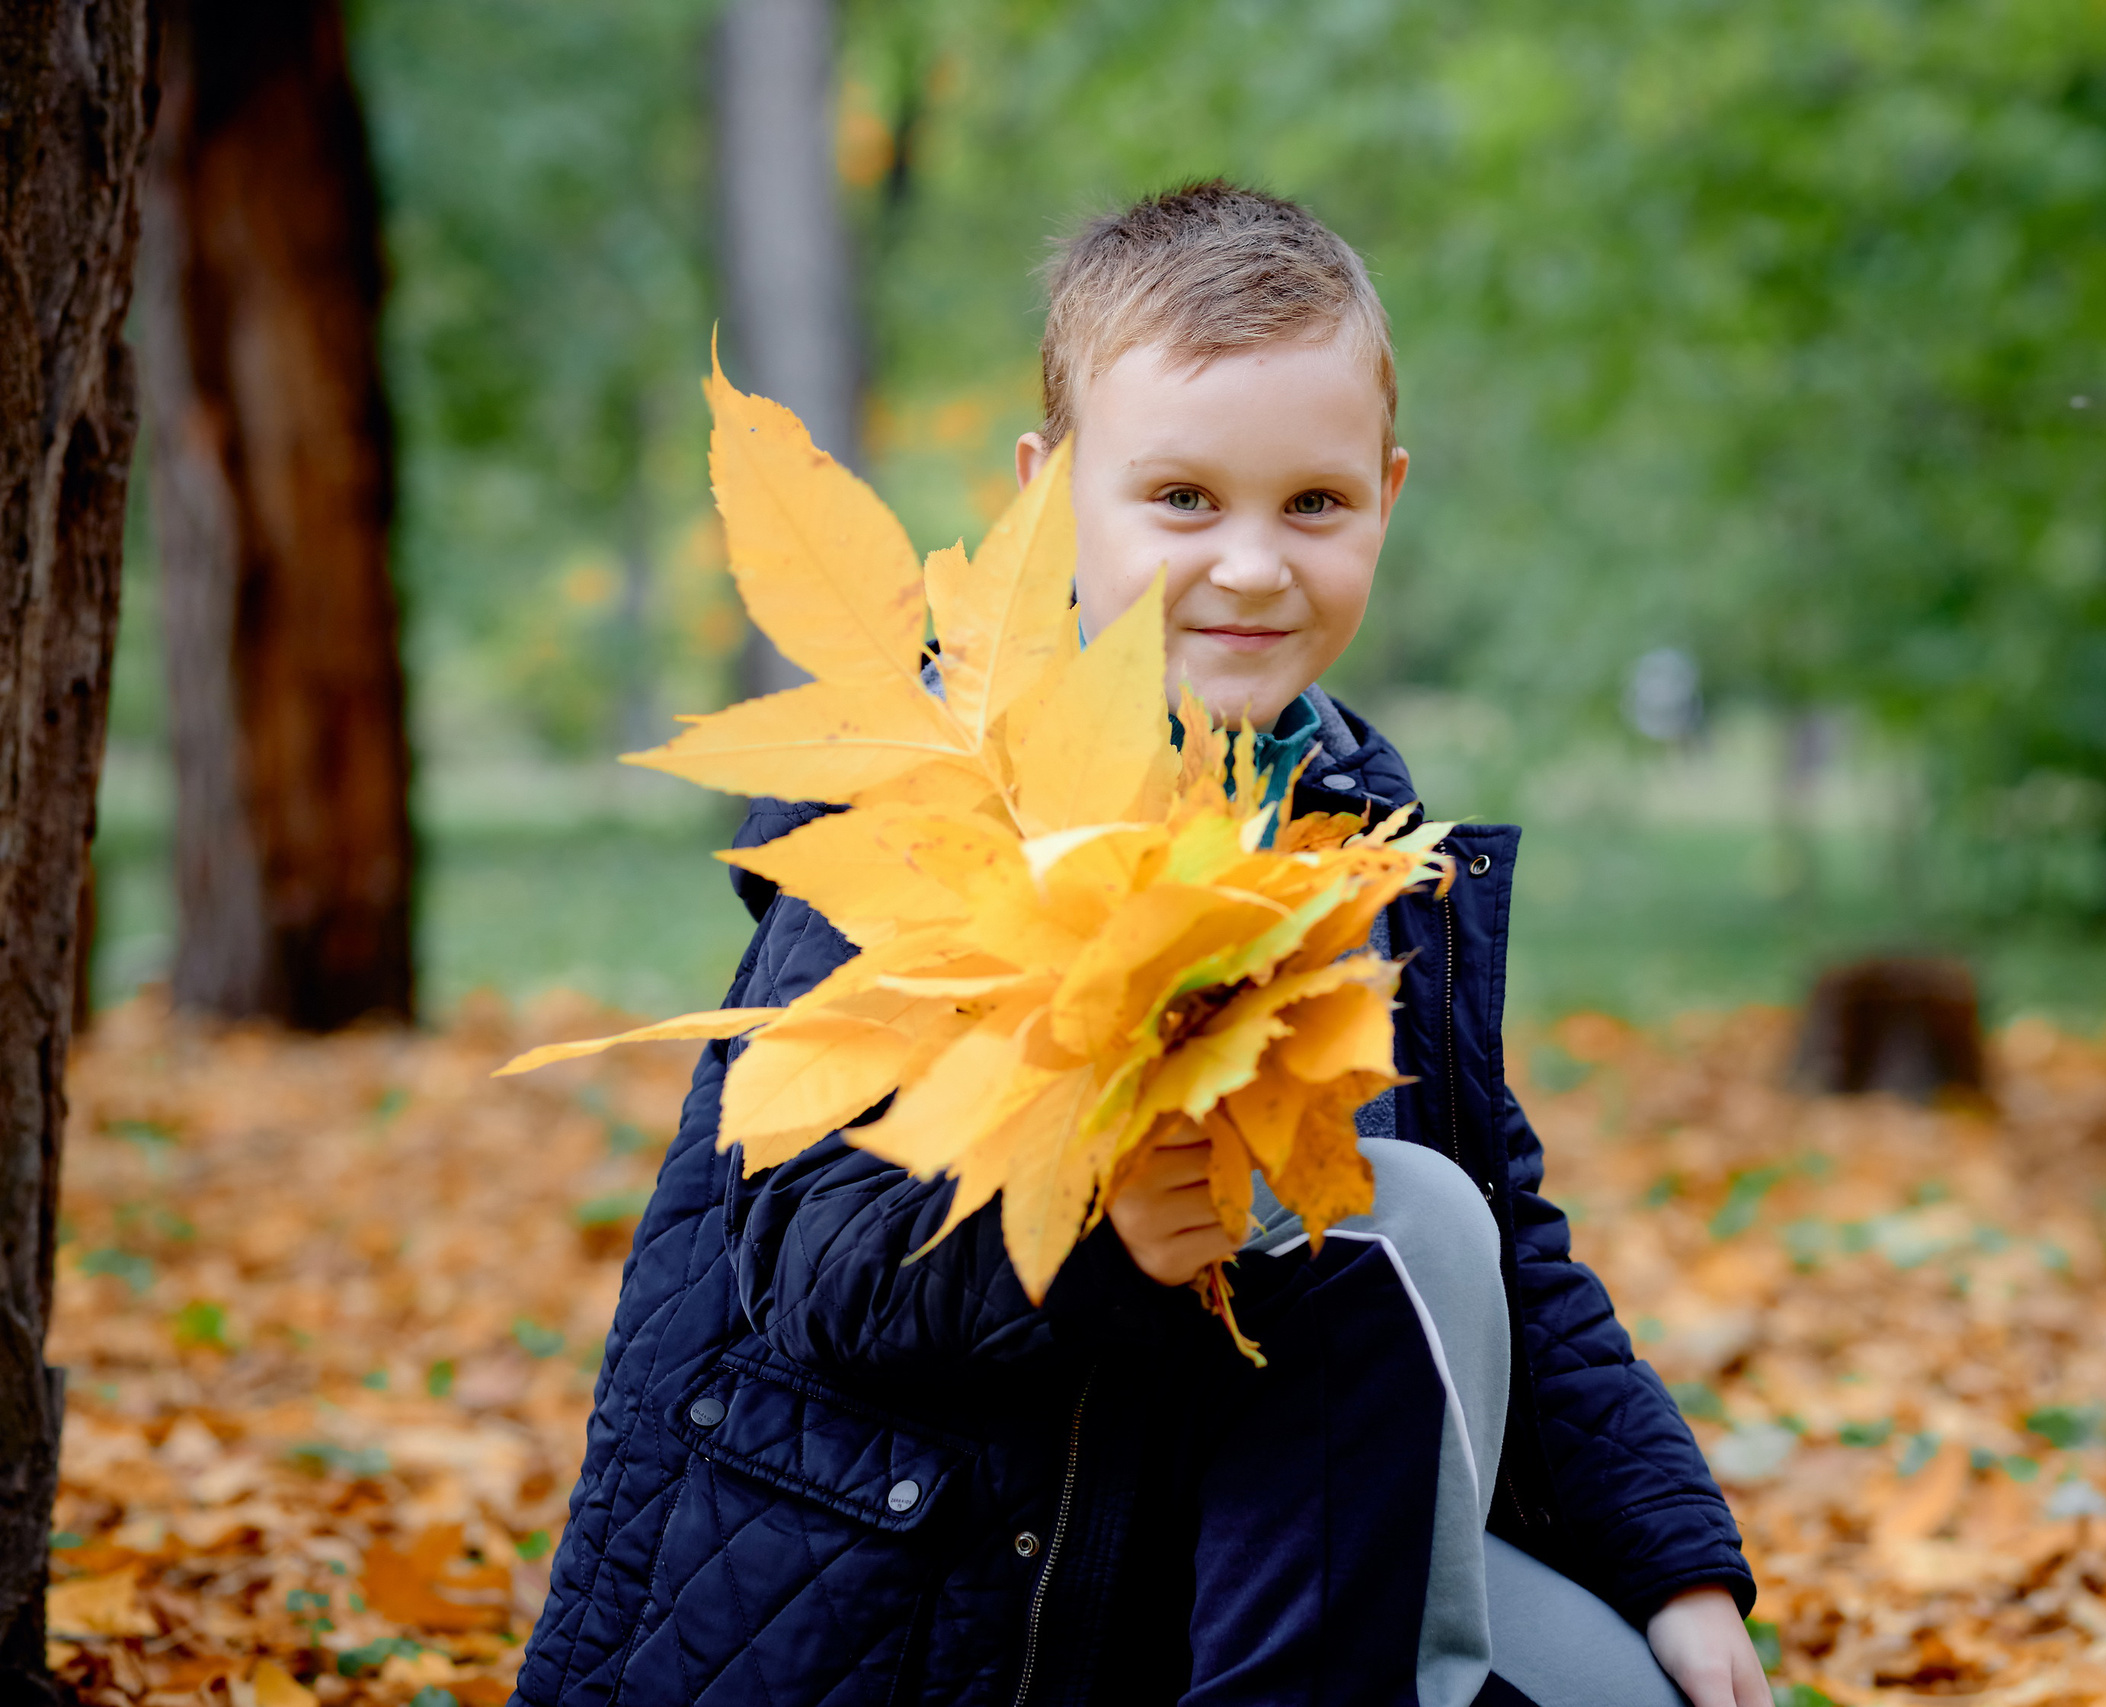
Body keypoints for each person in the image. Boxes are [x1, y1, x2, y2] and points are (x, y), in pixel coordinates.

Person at [511, 181, 1767, 1707]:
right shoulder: (941, 798)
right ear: (1050, 494)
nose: (1252, 566)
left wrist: (1673, 1563)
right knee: (1400, 1211)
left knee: (1626, 1671)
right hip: (938, 1592)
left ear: (1387, 493)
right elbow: (812, 1257)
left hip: (1223, 1541)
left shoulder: (1355, 834)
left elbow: (1509, 1243)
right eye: (1182, 501)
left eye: (1314, 505)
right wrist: (1097, 1249)